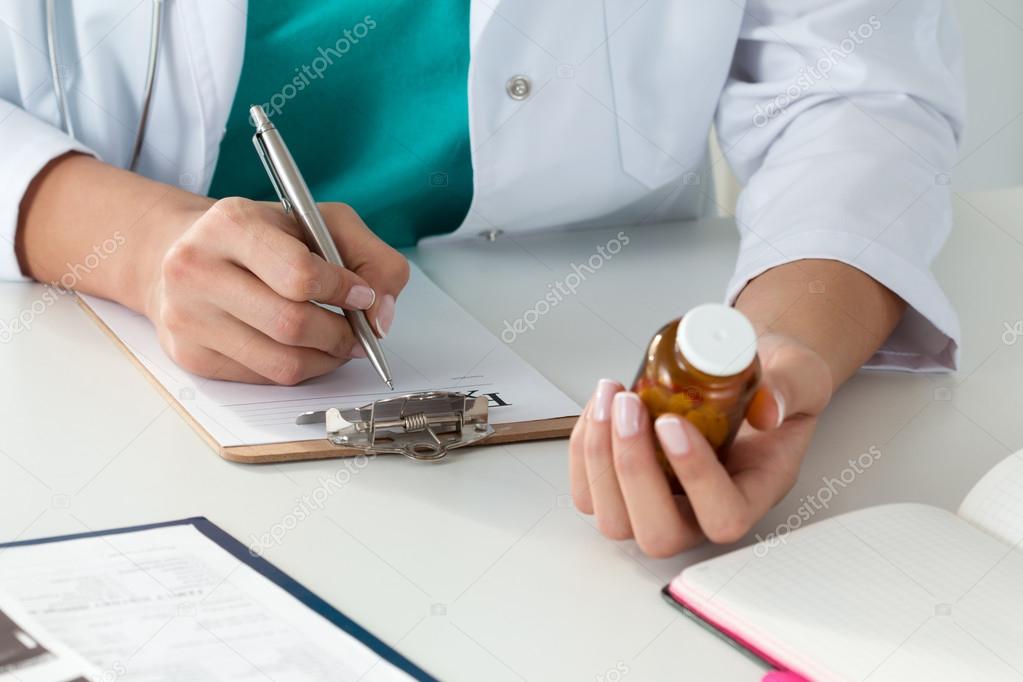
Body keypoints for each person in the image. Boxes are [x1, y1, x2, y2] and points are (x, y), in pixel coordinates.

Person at [2, 2, 964, 555]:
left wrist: (787, 340)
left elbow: (860, 91)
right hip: (82, 398)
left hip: (565, 407)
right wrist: (132, 240)